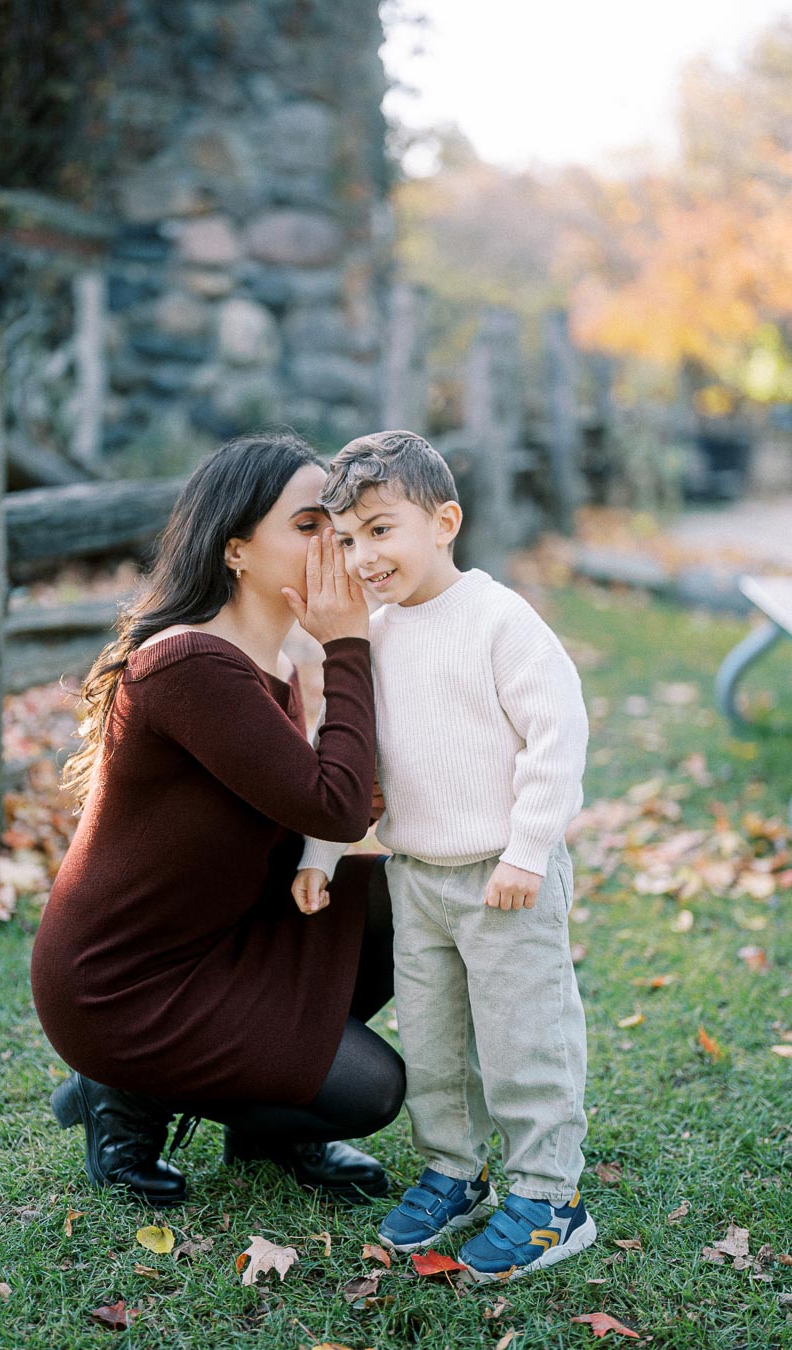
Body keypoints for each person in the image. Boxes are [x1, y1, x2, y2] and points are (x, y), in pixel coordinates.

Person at [30, 431, 405, 1207]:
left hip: (217, 943)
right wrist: (347, 646)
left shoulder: (262, 663)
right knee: (372, 1088)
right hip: (122, 987)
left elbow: (327, 806)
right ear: (236, 550)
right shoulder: (192, 664)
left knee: (397, 900)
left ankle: (262, 1125)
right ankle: (122, 1090)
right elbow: (335, 799)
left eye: (337, 528)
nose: (334, 547)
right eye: (307, 527)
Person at [294, 430, 596, 1283]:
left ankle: (548, 1199)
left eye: (381, 530)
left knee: (522, 1036)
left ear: (444, 521)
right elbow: (353, 761)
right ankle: (453, 1170)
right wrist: (322, 850)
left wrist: (528, 851)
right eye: (347, 540)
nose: (363, 557)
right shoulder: (373, 638)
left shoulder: (498, 619)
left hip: (504, 875)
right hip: (415, 877)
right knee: (433, 1043)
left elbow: (555, 736)